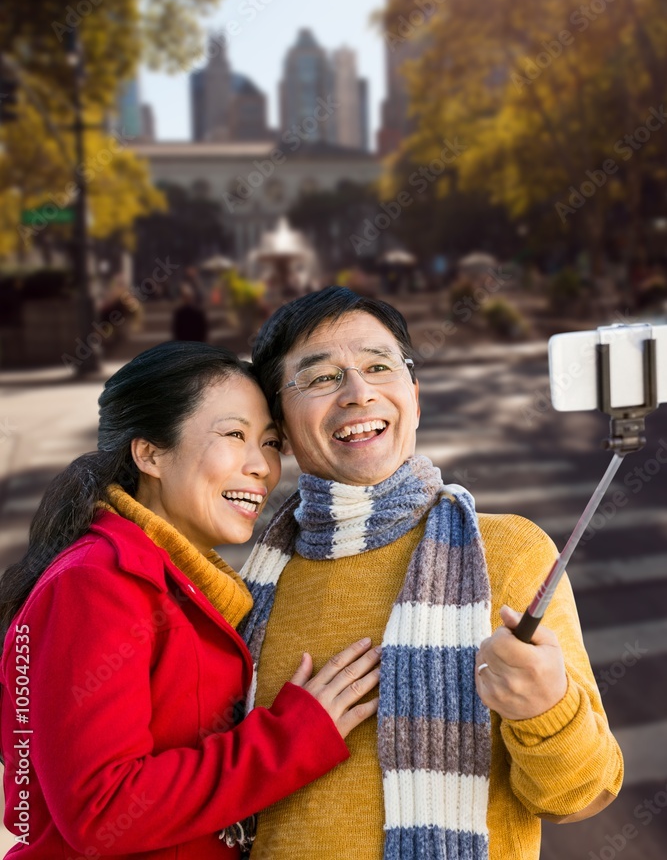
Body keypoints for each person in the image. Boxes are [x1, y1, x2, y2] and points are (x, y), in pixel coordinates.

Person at [242, 286, 624, 860]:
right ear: (281, 428)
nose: (359, 392)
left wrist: (546, 708)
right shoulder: (250, 588)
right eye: (321, 378)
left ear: (414, 399)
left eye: (378, 366)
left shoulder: (509, 552)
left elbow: (583, 794)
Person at [0, 341, 381, 859]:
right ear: (150, 453)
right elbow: (102, 811)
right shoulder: (95, 582)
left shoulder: (194, 587)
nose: (262, 468)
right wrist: (294, 737)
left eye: (270, 443)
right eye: (233, 435)